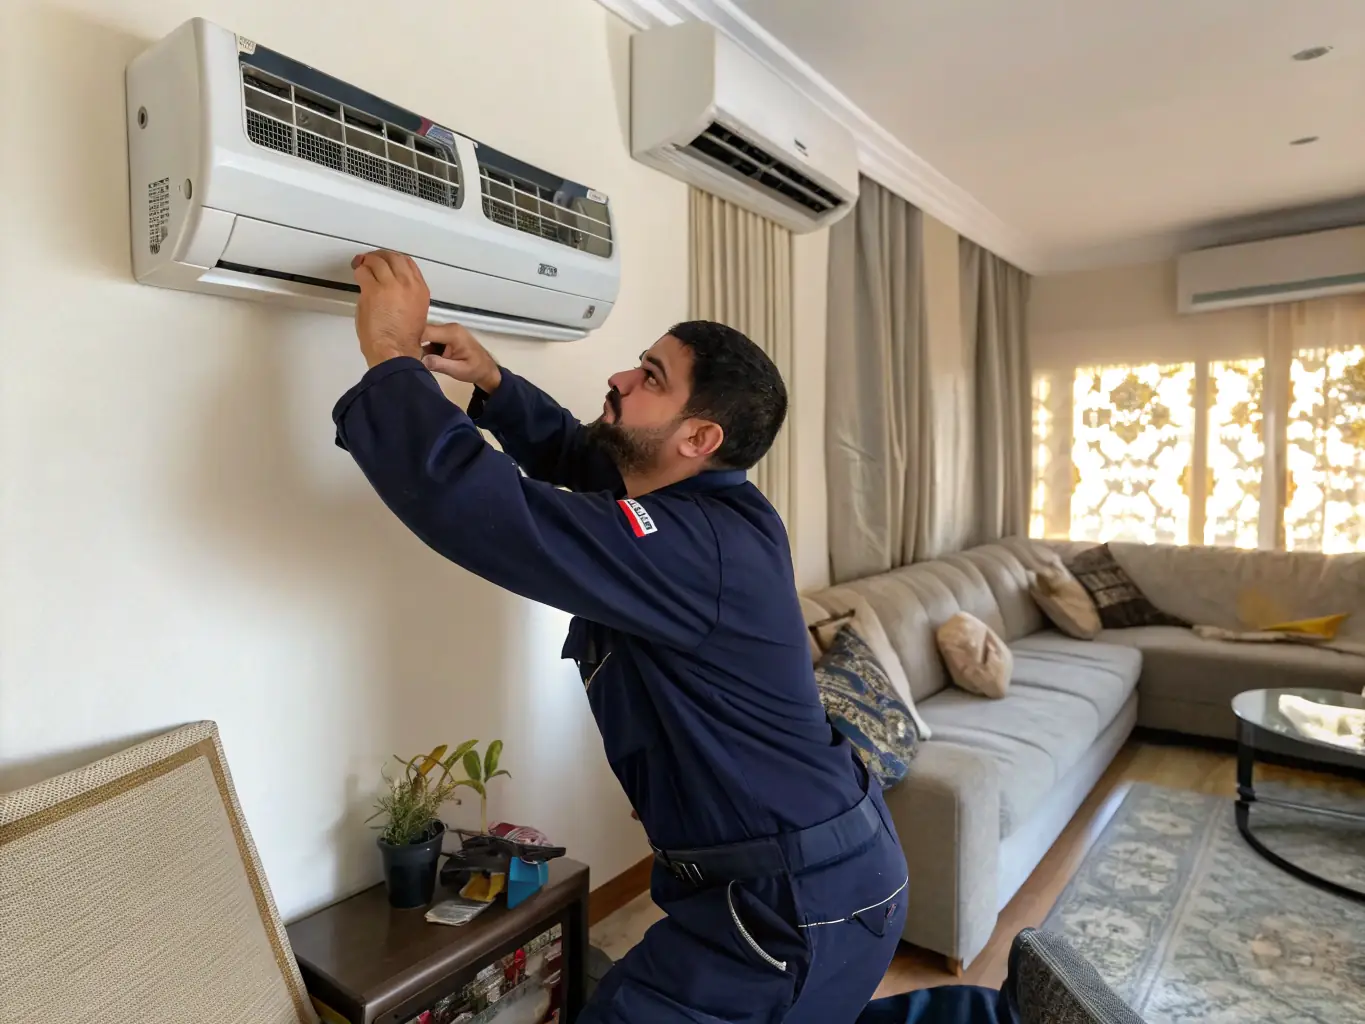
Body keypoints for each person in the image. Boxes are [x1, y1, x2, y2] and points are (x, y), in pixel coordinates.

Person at [334, 250, 1012, 1024]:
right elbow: (589, 458)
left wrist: (390, 359)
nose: (622, 380)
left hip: (793, 901)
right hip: (805, 880)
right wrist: (491, 382)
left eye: (651, 377)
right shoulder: (697, 506)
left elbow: (490, 512)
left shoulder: (698, 547)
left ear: (699, 437)